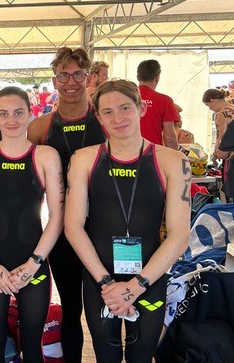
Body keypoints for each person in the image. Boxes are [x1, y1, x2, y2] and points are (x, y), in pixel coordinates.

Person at [65, 79, 190, 363]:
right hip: (100, 279)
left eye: (125, 108)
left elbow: (179, 234)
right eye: (107, 112)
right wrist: (107, 283)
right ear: (98, 117)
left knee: (141, 356)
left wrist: (135, 286)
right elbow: (73, 227)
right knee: (106, 356)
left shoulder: (172, 161)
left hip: (150, 276)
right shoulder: (83, 159)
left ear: (141, 108)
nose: (117, 118)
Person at [0, 86, 64, 362]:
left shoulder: (46, 156)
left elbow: (57, 217)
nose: (12, 120)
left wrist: (33, 264)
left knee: (32, 343)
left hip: (34, 263)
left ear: (31, 113)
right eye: (4, 113)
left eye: (19, 113)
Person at [27, 46, 106, 363]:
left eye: (77, 74)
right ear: (54, 80)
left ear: (88, 78)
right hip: (62, 232)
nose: (70, 82)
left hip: (104, 228)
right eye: (63, 75)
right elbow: (30, 185)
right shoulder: (40, 128)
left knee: (106, 309)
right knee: (72, 308)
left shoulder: (106, 121)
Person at [136, 59, 179, 149]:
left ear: (138, 77)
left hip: (125, 152)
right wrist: (175, 155)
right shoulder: (165, 100)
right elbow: (169, 138)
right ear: (157, 78)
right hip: (152, 152)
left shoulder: (124, 97)